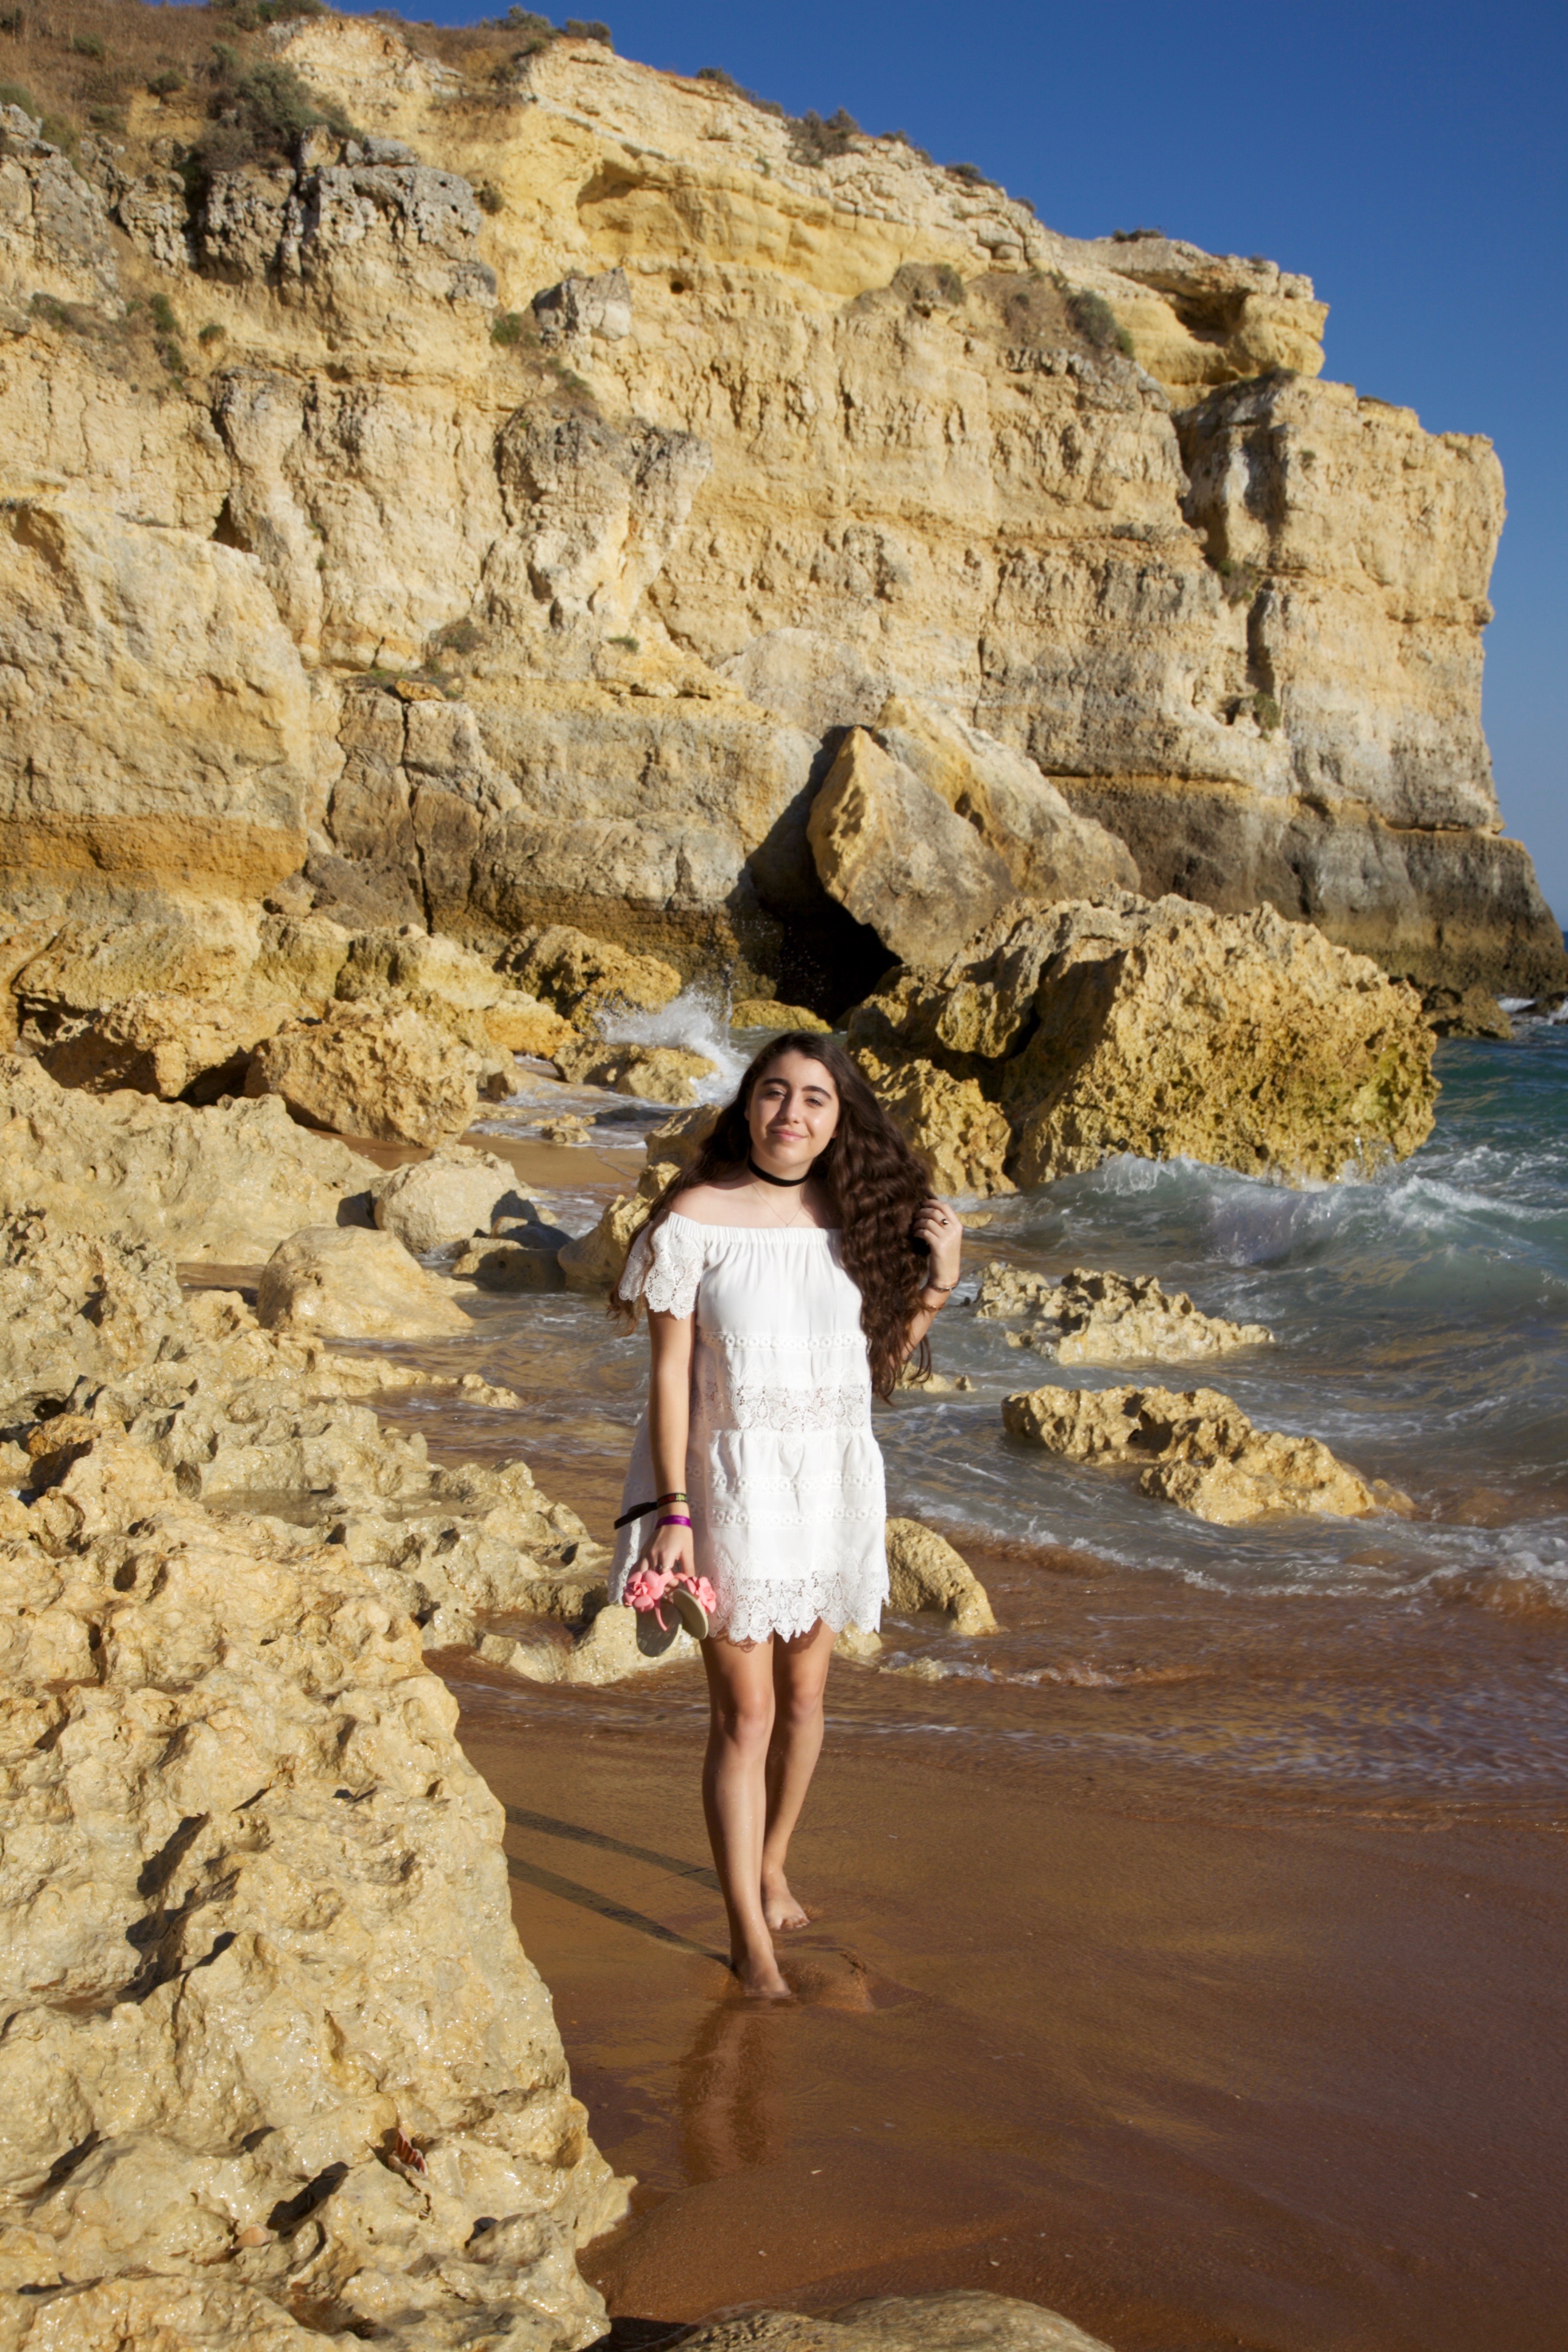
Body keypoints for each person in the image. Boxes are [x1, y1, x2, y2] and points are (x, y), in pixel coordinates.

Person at [609, 1033, 964, 2000]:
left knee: (805, 1701)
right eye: (774, 1091)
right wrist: (674, 1511)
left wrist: (938, 1279)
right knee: (747, 1714)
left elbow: (872, 1368)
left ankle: (770, 1863)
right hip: (729, 1489)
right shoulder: (695, 1219)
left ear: (839, 1118)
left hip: (828, 1485)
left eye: (814, 1097)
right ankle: (748, 1944)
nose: (791, 1113)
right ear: (748, 1104)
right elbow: (669, 1377)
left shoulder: (856, 1223)